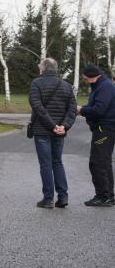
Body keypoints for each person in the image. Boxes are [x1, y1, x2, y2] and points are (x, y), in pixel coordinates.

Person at [29, 58, 77, 209]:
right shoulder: (67, 86)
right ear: (55, 69)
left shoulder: (36, 83)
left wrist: (52, 126)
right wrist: (64, 126)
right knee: (57, 162)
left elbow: (37, 106)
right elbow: (72, 109)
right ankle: (63, 197)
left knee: (46, 164)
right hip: (59, 131)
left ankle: (48, 198)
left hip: (43, 130)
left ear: (42, 69)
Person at [77, 65, 115, 207]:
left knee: (97, 163)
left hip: (104, 128)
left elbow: (99, 110)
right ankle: (109, 196)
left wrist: (82, 110)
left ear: (93, 76)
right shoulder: (100, 85)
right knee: (104, 162)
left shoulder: (104, 87)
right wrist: (85, 108)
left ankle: (103, 196)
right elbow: (96, 105)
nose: (85, 80)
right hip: (103, 128)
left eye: (86, 78)